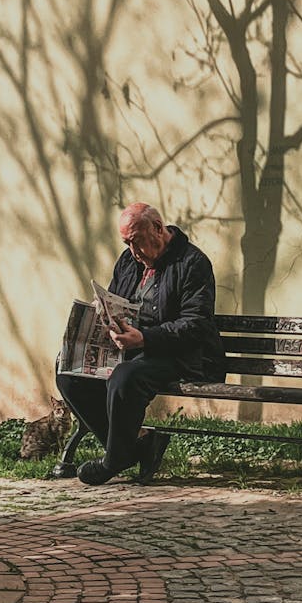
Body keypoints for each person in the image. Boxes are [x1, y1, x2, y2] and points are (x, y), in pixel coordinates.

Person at [56, 202, 225, 486]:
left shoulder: (192, 263)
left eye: (136, 242)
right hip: (134, 350)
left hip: (183, 355)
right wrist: (104, 314)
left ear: (158, 229)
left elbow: (196, 324)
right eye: (127, 243)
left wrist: (145, 337)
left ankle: (114, 460)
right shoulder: (128, 261)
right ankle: (138, 445)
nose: (133, 251)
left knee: (126, 378)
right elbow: (116, 300)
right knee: (68, 373)